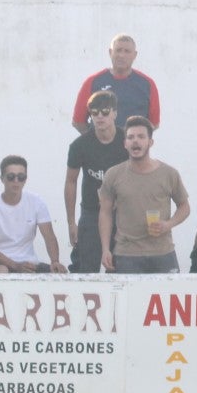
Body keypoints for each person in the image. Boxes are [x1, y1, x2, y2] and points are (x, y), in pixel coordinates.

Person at [99, 116, 190, 274]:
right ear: (125, 143)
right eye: (131, 137)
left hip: (163, 252)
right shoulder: (113, 174)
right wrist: (105, 249)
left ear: (150, 142)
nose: (135, 141)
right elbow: (105, 212)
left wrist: (168, 224)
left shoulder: (169, 173)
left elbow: (184, 207)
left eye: (141, 136)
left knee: (167, 292)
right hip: (126, 254)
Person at [64, 90, 128, 272]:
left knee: (121, 267)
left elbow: (140, 175)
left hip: (122, 212)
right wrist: (71, 222)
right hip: (91, 211)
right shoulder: (80, 145)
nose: (100, 116)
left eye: (105, 112)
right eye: (94, 112)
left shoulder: (127, 141)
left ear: (115, 113)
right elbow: (71, 182)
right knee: (85, 268)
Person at [0, 155, 67, 274]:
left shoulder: (36, 202)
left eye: (21, 177)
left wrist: (55, 261)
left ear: (25, 179)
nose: (16, 181)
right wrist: (15, 265)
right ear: (2, 179)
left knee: (60, 273)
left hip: (29, 263)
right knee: (1, 271)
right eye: (11, 177)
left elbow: (49, 236)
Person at [72, 34, 160, 133]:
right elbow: (78, 121)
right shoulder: (92, 82)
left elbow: (154, 123)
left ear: (135, 55)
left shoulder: (147, 84)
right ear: (110, 52)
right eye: (118, 50)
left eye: (127, 51)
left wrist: (136, 138)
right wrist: (96, 139)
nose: (121, 55)